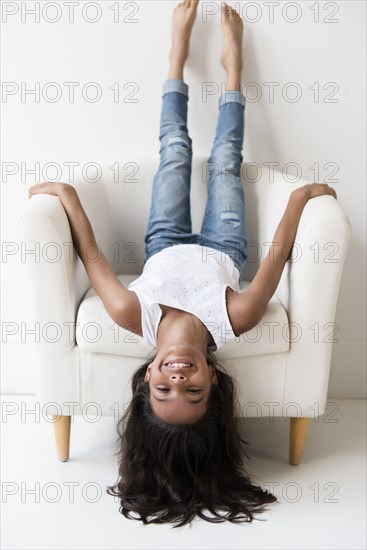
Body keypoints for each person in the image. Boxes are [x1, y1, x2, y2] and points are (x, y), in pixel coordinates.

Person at [28, 0, 337, 526]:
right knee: (224, 157)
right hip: (225, 243)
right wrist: (300, 197)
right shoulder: (235, 319)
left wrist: (69, 196)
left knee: (174, 148)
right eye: (191, 392)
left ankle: (176, 59)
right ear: (213, 382)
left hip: (164, 240)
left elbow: (93, 254)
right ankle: (233, 68)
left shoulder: (132, 313)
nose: (178, 379)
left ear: (146, 375)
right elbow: (279, 257)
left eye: (164, 390)